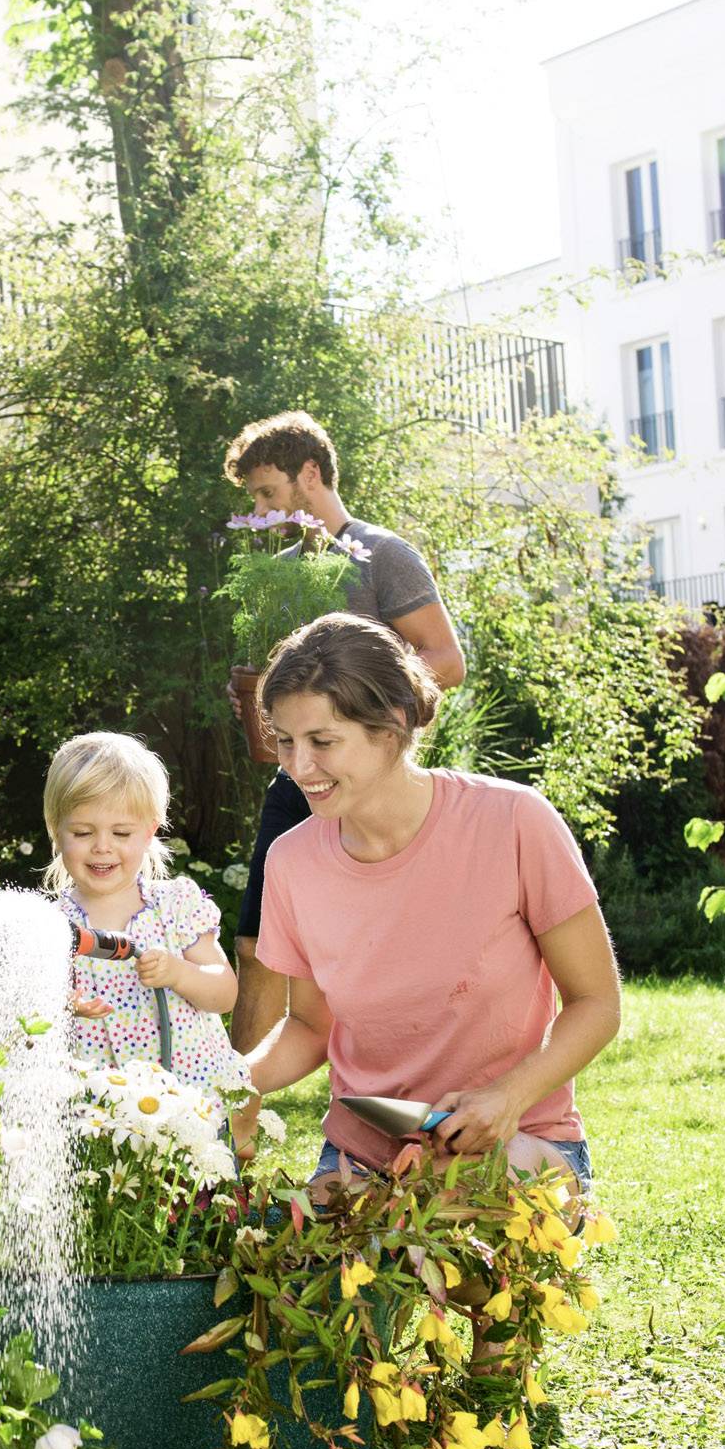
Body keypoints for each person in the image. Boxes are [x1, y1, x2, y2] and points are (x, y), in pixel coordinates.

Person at [230, 612, 620, 1202]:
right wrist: (235, 1083)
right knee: (298, 1279)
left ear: (392, 726)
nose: (298, 767)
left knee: (430, 1232)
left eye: (323, 742)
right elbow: (312, 1027)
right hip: (366, 1148)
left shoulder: (513, 821)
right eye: (285, 742)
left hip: (514, 1139)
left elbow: (597, 1003)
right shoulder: (291, 862)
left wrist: (507, 1096)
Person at [221, 411, 467, 1051]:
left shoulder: (383, 556)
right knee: (255, 943)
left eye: (269, 493)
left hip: (373, 785)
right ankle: (233, 1115)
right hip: (298, 779)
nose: (265, 510)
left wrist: (358, 708)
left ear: (310, 475)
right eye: (255, 499)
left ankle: (417, 1078)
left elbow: (446, 661)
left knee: (396, 947)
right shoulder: (286, 569)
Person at [44, 731, 247, 1095]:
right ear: (57, 832)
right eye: (83, 832)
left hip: (188, 1105)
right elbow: (29, 1023)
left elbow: (224, 992)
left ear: (150, 831)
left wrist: (179, 973)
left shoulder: (174, 905)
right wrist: (61, 1008)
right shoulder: (53, 926)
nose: (102, 847)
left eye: (121, 833)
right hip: (100, 1116)